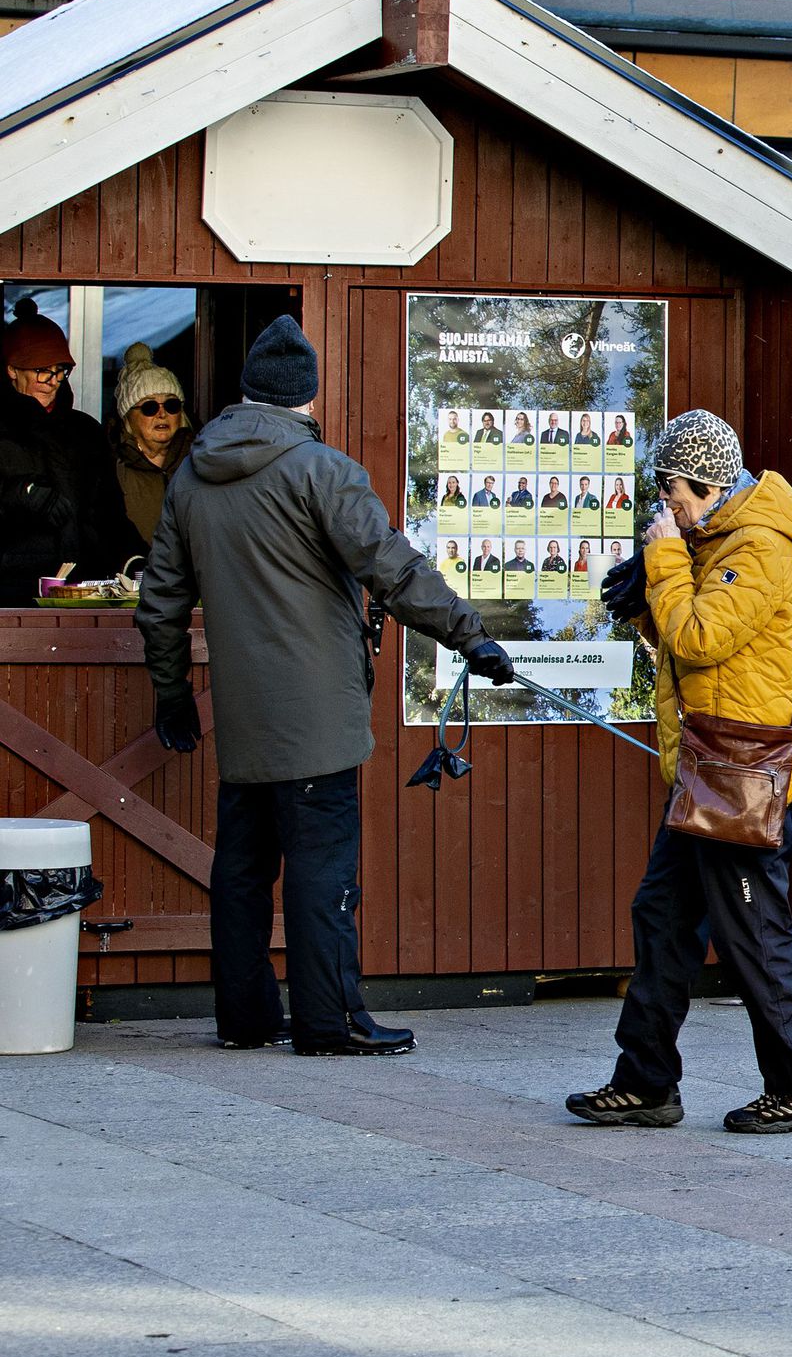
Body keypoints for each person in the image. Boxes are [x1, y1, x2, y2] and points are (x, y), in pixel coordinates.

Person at [137, 315, 512, 1055]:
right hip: (316, 714)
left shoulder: (190, 475)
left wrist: (173, 694)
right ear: (307, 398)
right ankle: (330, 1020)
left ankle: (244, 1020)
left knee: (242, 871)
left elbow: (161, 603)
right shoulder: (323, 471)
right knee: (322, 871)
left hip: (243, 713)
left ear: (246, 394)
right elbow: (395, 570)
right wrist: (470, 634)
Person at [565, 409, 792, 1134]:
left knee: (753, 934)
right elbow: (686, 637)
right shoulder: (715, 538)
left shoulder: (762, 546)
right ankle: (647, 1082)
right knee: (661, 918)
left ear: (712, 483)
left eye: (676, 496)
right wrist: (651, 600)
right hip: (704, 768)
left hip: (743, 771)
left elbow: (702, 636)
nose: (668, 510)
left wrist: (664, 566)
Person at [0, 300, 142, 602]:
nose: (52, 383)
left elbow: (110, 514)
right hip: (13, 592)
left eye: (60, 371)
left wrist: (134, 559)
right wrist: (19, 492)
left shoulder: (85, 432)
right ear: (12, 370)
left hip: (85, 587)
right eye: (41, 372)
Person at [108, 343, 195, 548]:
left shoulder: (199, 459)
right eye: (149, 406)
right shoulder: (111, 465)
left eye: (172, 405)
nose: (162, 414)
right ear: (128, 416)